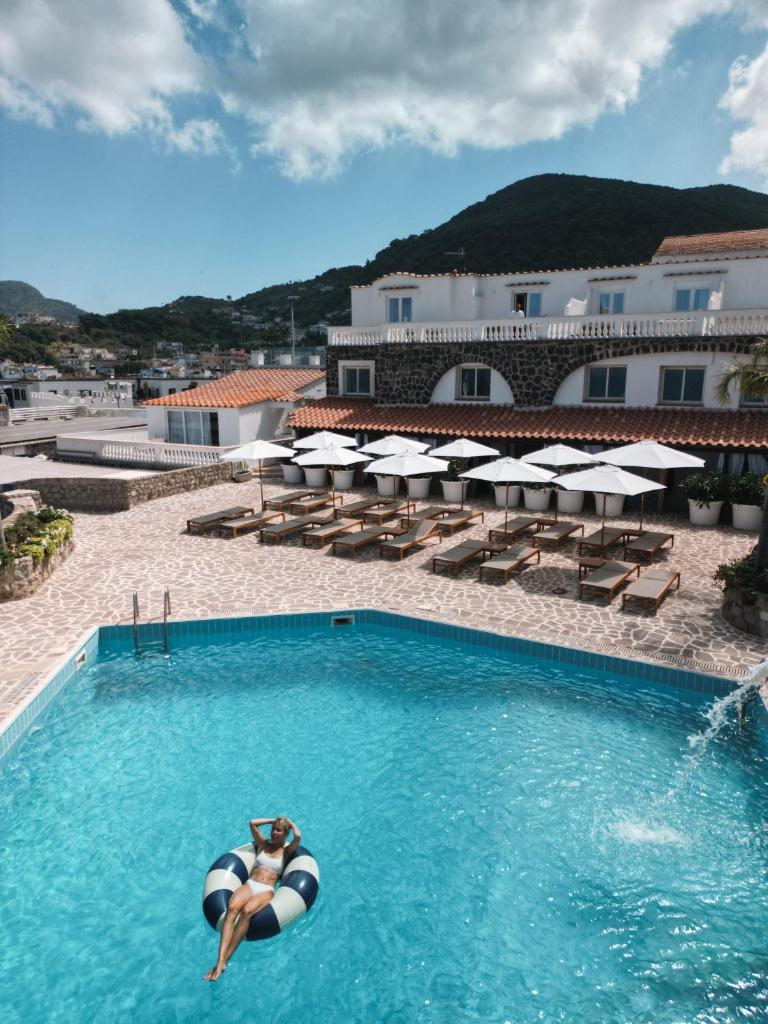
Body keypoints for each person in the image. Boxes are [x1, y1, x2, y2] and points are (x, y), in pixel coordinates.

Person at [204, 815, 301, 981]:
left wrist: (289, 822)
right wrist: (273, 820)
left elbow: (298, 836)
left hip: (266, 890)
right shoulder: (263, 844)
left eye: (278, 830)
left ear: (285, 834)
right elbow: (252, 823)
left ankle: (224, 961)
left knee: (247, 912)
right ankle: (220, 960)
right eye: (273, 829)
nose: (274, 832)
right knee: (232, 908)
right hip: (250, 884)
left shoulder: (286, 851)